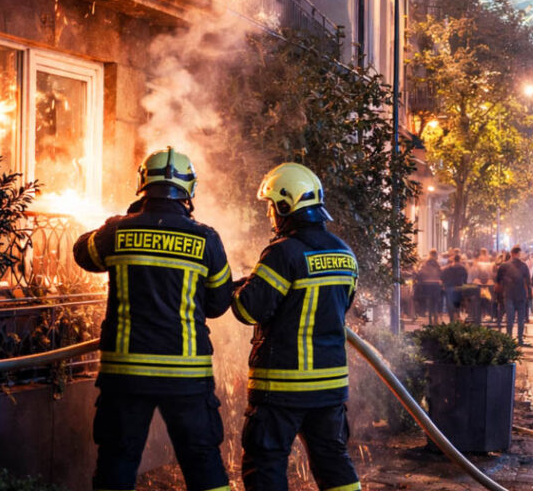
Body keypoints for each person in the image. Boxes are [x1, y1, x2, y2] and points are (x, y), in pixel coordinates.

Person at [72, 147, 233, 491]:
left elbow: (82, 253)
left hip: (126, 373)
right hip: (186, 374)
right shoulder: (206, 238)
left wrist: (114, 223)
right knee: (203, 461)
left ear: (143, 184)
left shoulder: (117, 232)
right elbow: (219, 303)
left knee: (116, 462)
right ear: (189, 189)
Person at [232, 162, 360, 491]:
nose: (269, 214)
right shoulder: (345, 254)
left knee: (266, 463)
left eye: (271, 206)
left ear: (286, 206)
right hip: (330, 386)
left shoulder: (282, 253)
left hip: (282, 386)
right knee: (333, 461)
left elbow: (248, 310)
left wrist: (237, 289)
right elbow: (341, 306)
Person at [498, 246, 531, 344]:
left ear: (511, 253)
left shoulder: (504, 266)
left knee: (510, 318)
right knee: (521, 319)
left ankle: (509, 338)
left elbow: (498, 281)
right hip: (521, 294)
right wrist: (528, 294)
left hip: (509, 294)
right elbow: (528, 282)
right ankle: (520, 339)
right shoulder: (524, 266)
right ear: (519, 254)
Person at [417, 249, 443, 325]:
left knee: (428, 300)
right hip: (436, 284)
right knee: (436, 301)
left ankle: (429, 316)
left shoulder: (425, 263)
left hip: (427, 284)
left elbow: (420, 273)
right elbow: (440, 273)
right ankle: (435, 315)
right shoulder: (437, 264)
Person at [441, 254, 469, 322]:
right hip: (458, 288)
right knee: (457, 304)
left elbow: (442, 278)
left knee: (450, 305)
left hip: (449, 288)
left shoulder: (447, 268)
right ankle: (457, 317)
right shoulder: (463, 268)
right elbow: (465, 279)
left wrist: (444, 285)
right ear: (459, 260)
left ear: (453, 260)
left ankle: (451, 319)